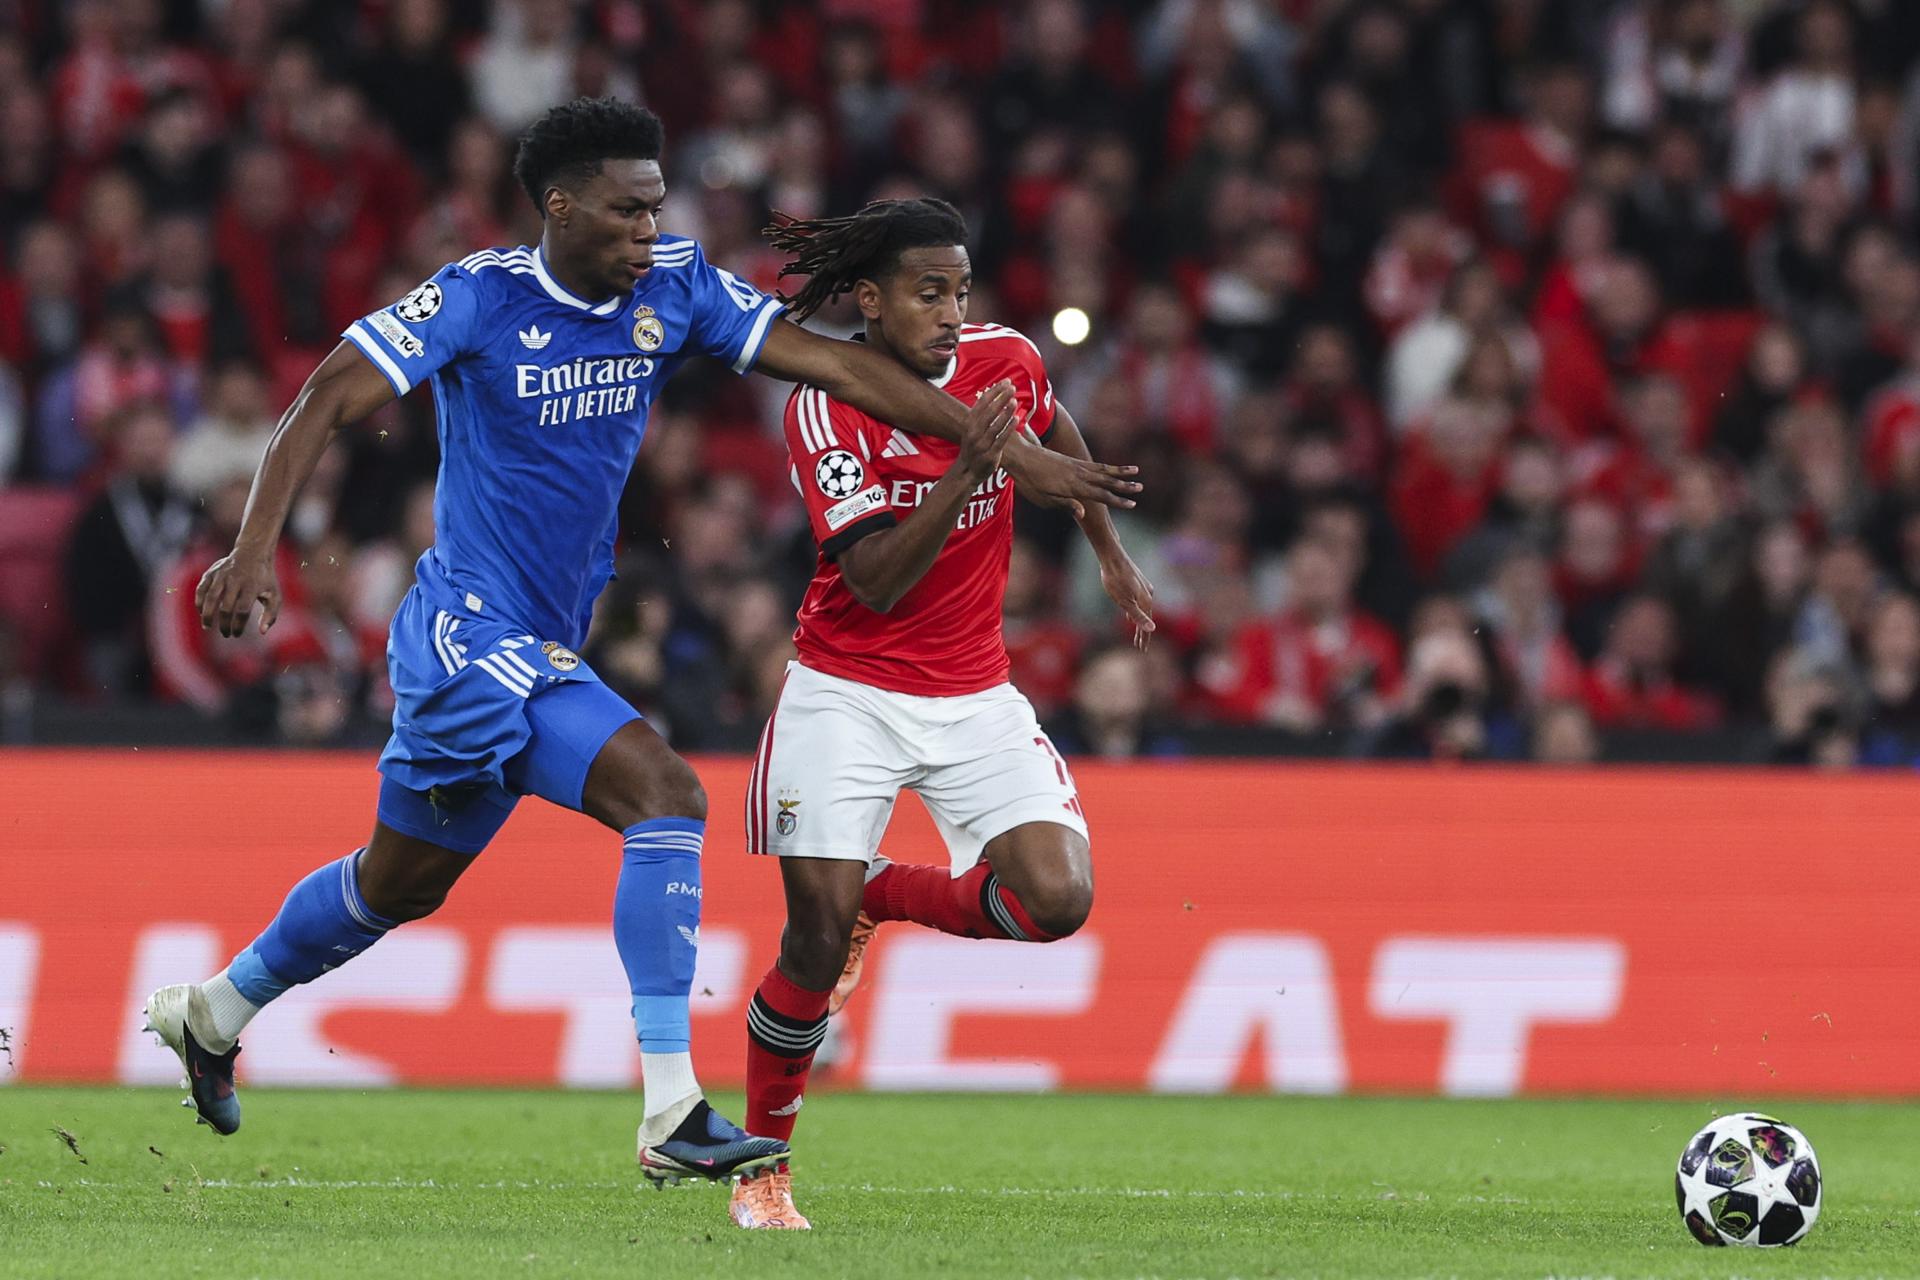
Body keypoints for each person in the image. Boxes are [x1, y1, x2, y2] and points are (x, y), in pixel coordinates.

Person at [141, 99, 1137, 1185]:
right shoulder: (481, 296)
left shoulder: (676, 283)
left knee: (397, 884)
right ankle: (671, 1109)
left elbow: (841, 368)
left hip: (543, 639)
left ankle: (215, 1008)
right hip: (467, 631)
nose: (646, 230)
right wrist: (252, 549)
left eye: (657, 206)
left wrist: (1014, 454)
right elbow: (331, 393)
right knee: (664, 795)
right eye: (625, 211)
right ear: (560, 206)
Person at [729, 199, 1155, 1230]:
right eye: (928, 291)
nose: (952, 313)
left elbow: (1052, 425)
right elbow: (872, 578)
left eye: (960, 289)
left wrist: (1104, 543)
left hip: (972, 689)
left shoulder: (1005, 356)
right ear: (868, 300)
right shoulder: (825, 404)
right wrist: (971, 467)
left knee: (1057, 897)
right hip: (847, 690)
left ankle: (893, 891)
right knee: (809, 938)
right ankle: (761, 1169)